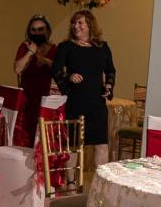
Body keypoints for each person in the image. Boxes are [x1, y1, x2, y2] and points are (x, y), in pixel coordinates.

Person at [53, 9, 116, 166]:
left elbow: (110, 71)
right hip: (75, 103)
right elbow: (55, 70)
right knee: (73, 146)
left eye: (80, 22)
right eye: (73, 23)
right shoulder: (66, 46)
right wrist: (69, 76)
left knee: (101, 145)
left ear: (90, 25)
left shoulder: (102, 47)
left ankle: (99, 181)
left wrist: (108, 86)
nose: (76, 26)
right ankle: (72, 182)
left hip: (97, 104)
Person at [13, 14, 58, 142]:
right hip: (26, 99)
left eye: (40, 29)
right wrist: (30, 52)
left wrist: (45, 60)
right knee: (25, 136)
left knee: (41, 138)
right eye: (33, 30)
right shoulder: (25, 46)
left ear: (47, 30)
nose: (37, 33)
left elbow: (58, 70)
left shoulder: (54, 48)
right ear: (29, 31)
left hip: (44, 98)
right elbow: (17, 69)